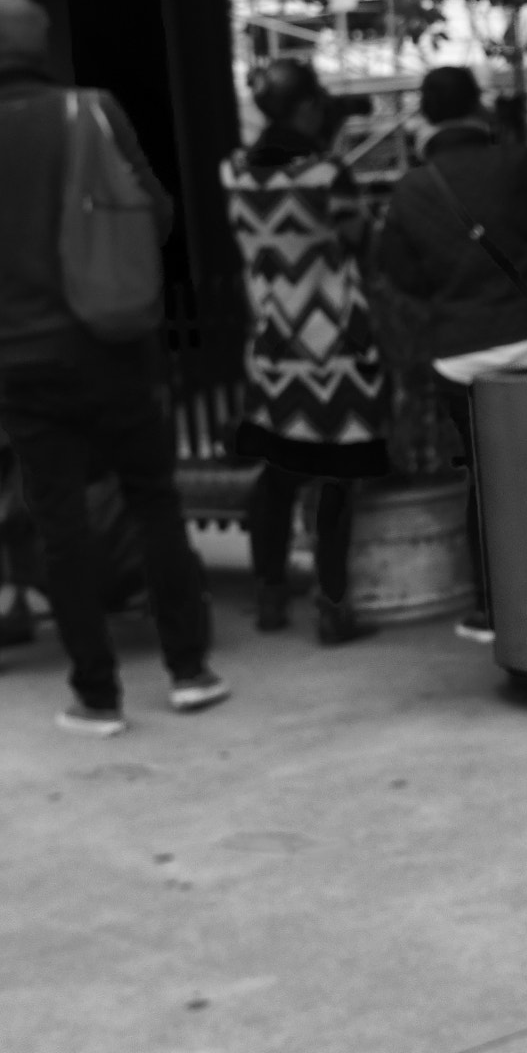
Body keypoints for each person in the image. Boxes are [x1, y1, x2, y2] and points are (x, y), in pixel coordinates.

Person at [0, 0, 225, 736]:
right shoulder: (94, 111)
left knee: (57, 521)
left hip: (22, 358)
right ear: (43, 48)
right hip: (116, 343)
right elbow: (156, 213)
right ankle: (188, 669)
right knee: (153, 499)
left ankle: (97, 693)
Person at [372, 66, 527, 643]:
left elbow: (397, 269)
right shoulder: (512, 163)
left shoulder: (412, 189)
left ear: (426, 115)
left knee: (484, 476)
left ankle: (490, 606)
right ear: (479, 108)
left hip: (458, 356)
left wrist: (447, 297)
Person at [221, 59, 390, 647]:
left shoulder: (233, 172)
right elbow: (359, 240)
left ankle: (269, 595)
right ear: (308, 108)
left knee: (278, 475)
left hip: (272, 346)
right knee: (337, 479)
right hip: (338, 346)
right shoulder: (327, 176)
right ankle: (332, 604)